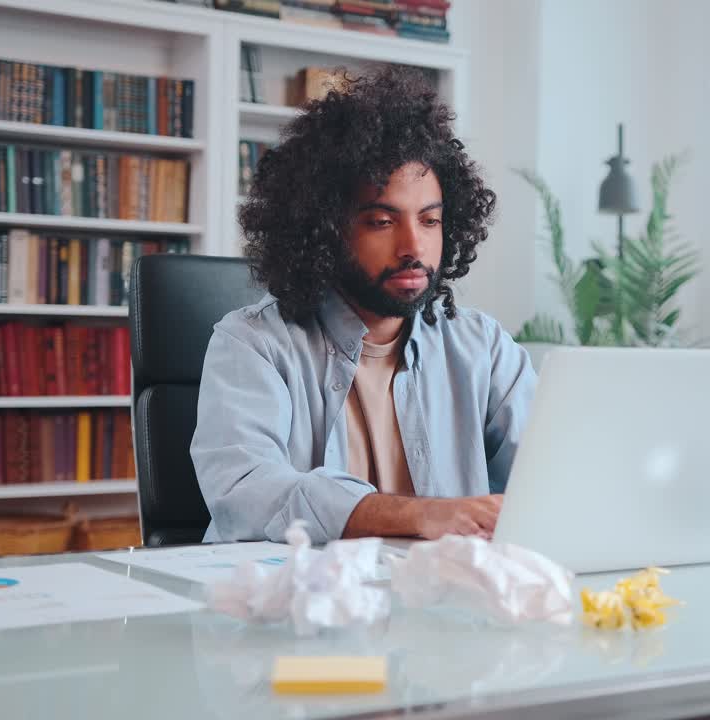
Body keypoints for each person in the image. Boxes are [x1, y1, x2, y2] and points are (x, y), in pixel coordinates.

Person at [191, 68, 535, 546]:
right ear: (325, 229)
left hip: (444, 607)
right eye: (381, 221)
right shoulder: (253, 344)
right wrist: (419, 516)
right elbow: (246, 491)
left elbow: (554, 478)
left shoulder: (484, 347)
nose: (413, 245)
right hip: (296, 607)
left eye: (430, 220)